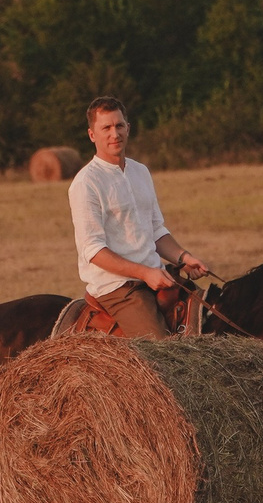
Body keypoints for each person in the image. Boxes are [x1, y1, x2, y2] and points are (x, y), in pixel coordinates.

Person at [68, 96, 208, 338]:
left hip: (156, 275)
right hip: (118, 288)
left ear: (128, 128)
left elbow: (155, 230)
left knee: (208, 319)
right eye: (106, 128)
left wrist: (183, 258)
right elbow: (92, 250)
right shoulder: (86, 183)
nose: (115, 134)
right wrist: (145, 273)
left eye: (119, 125)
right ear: (92, 135)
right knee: (163, 352)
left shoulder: (140, 171)